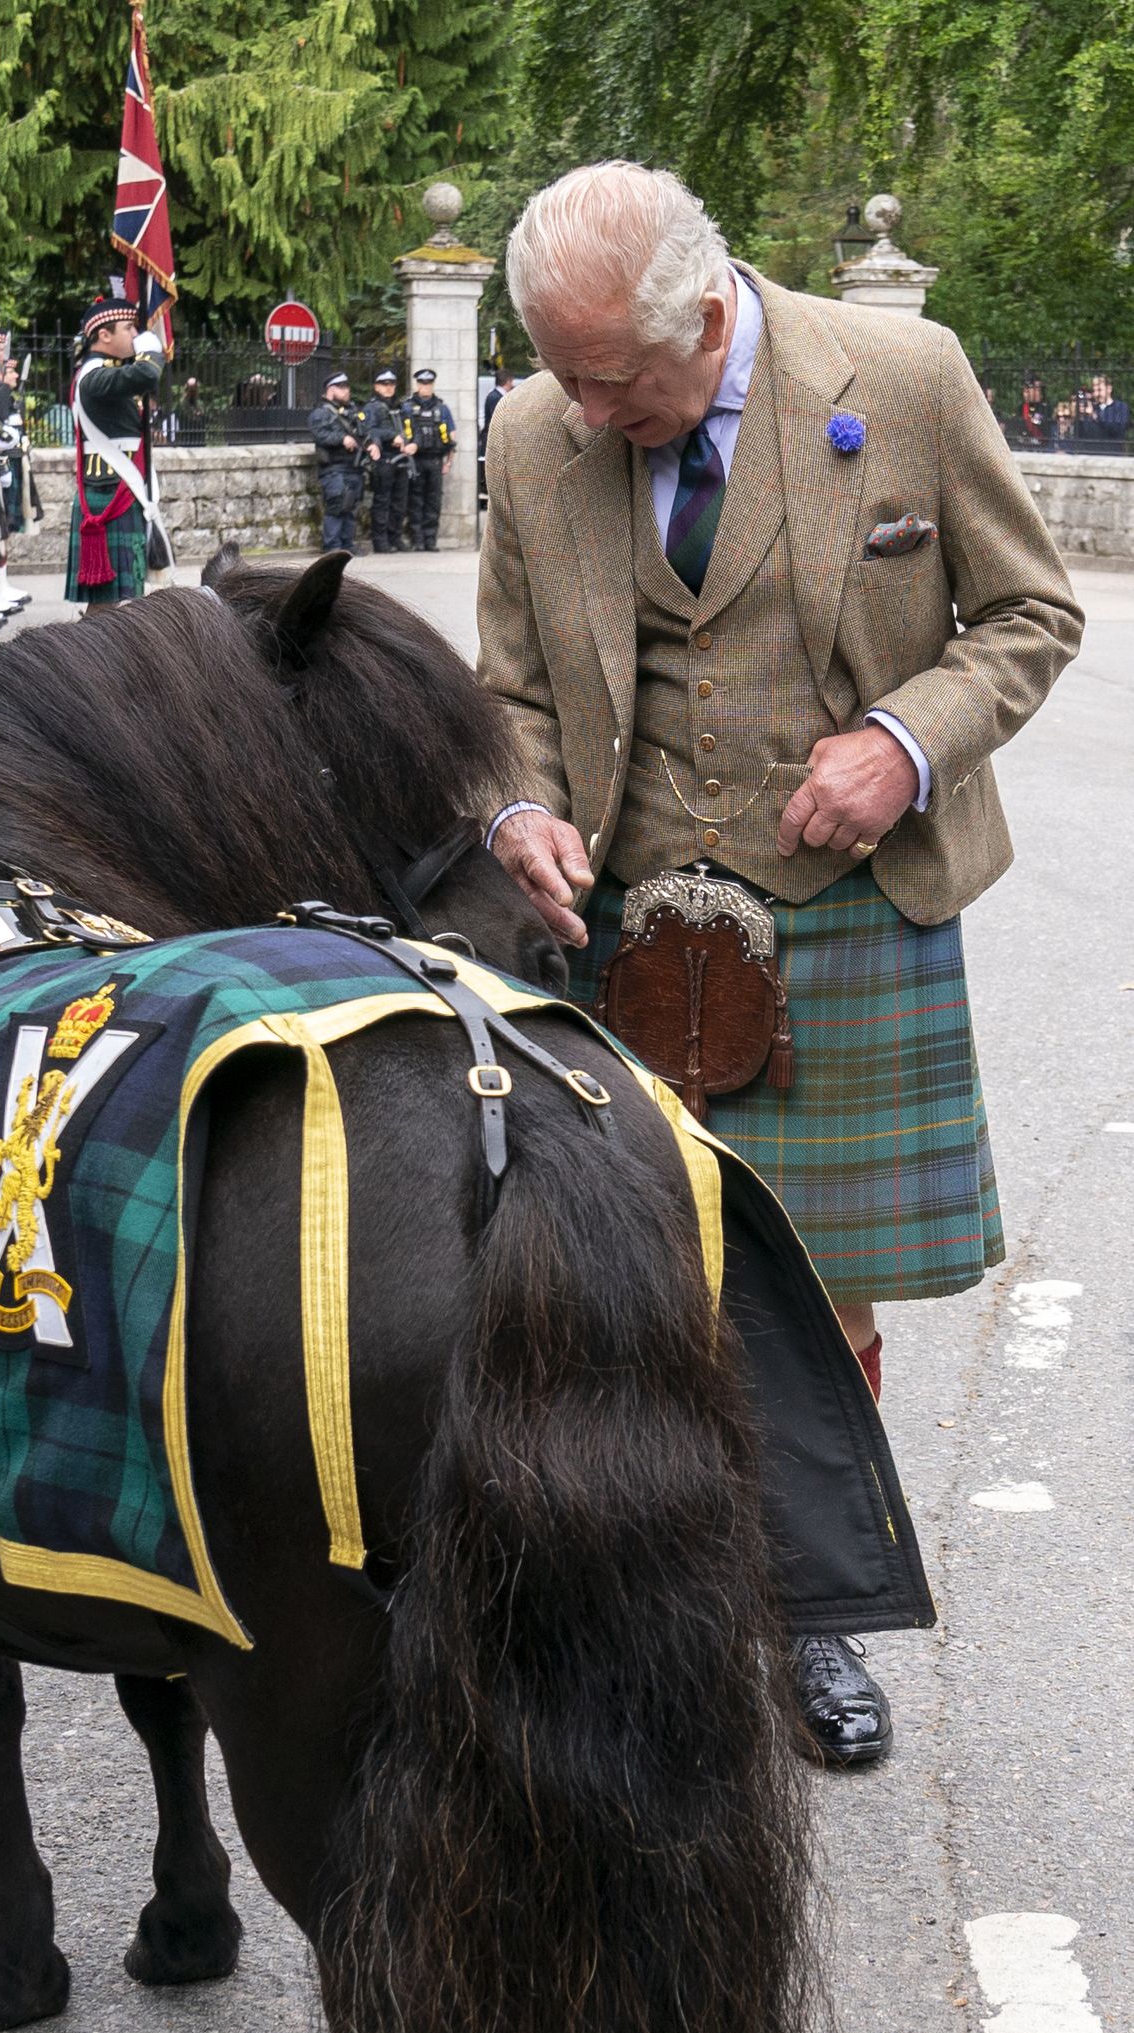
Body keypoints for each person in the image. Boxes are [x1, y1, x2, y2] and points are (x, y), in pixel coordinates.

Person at [478, 161, 1083, 1764]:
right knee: (616, 1296)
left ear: (702, 304)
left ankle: (809, 1618)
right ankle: (645, 1615)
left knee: (815, 1303)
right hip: (612, 924)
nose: (588, 411)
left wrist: (903, 743)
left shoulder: (899, 377)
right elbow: (508, 689)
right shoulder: (537, 432)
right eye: (561, 373)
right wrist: (518, 807)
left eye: (614, 377)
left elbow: (1026, 614)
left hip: (842, 908)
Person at [64, 291, 166, 611]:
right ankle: (89, 658)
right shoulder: (94, 376)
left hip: (119, 488)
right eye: (129, 328)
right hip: (110, 492)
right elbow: (147, 374)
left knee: (118, 603)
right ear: (104, 335)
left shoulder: (105, 372)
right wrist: (151, 351)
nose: (136, 335)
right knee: (106, 608)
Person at [308, 370, 368, 551]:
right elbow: (320, 435)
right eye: (341, 387)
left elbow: (365, 432)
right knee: (337, 506)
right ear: (330, 389)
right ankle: (332, 547)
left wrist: (372, 444)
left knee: (351, 507)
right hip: (334, 468)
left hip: (353, 467)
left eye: (347, 387)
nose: (346, 391)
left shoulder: (353, 411)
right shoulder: (320, 413)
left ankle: (347, 545)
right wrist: (341, 439)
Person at [401, 368, 455, 549]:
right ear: (417, 384)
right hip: (415, 461)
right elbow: (400, 433)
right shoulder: (407, 407)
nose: (425, 387)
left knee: (433, 501)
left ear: (433, 384)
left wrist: (448, 462)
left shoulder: (442, 408)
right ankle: (417, 540)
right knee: (415, 501)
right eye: (422, 383)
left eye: (429, 383)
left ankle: (430, 541)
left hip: (435, 461)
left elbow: (451, 437)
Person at [361, 366, 413, 552]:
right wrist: (391, 437)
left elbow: (409, 429)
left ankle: (395, 537)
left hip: (402, 459)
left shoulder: (401, 407)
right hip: (384, 460)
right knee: (383, 501)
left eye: (391, 384)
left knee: (400, 502)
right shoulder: (372, 408)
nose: (389, 387)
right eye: (384, 384)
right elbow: (368, 431)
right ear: (376, 386)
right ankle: (380, 540)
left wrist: (410, 442)